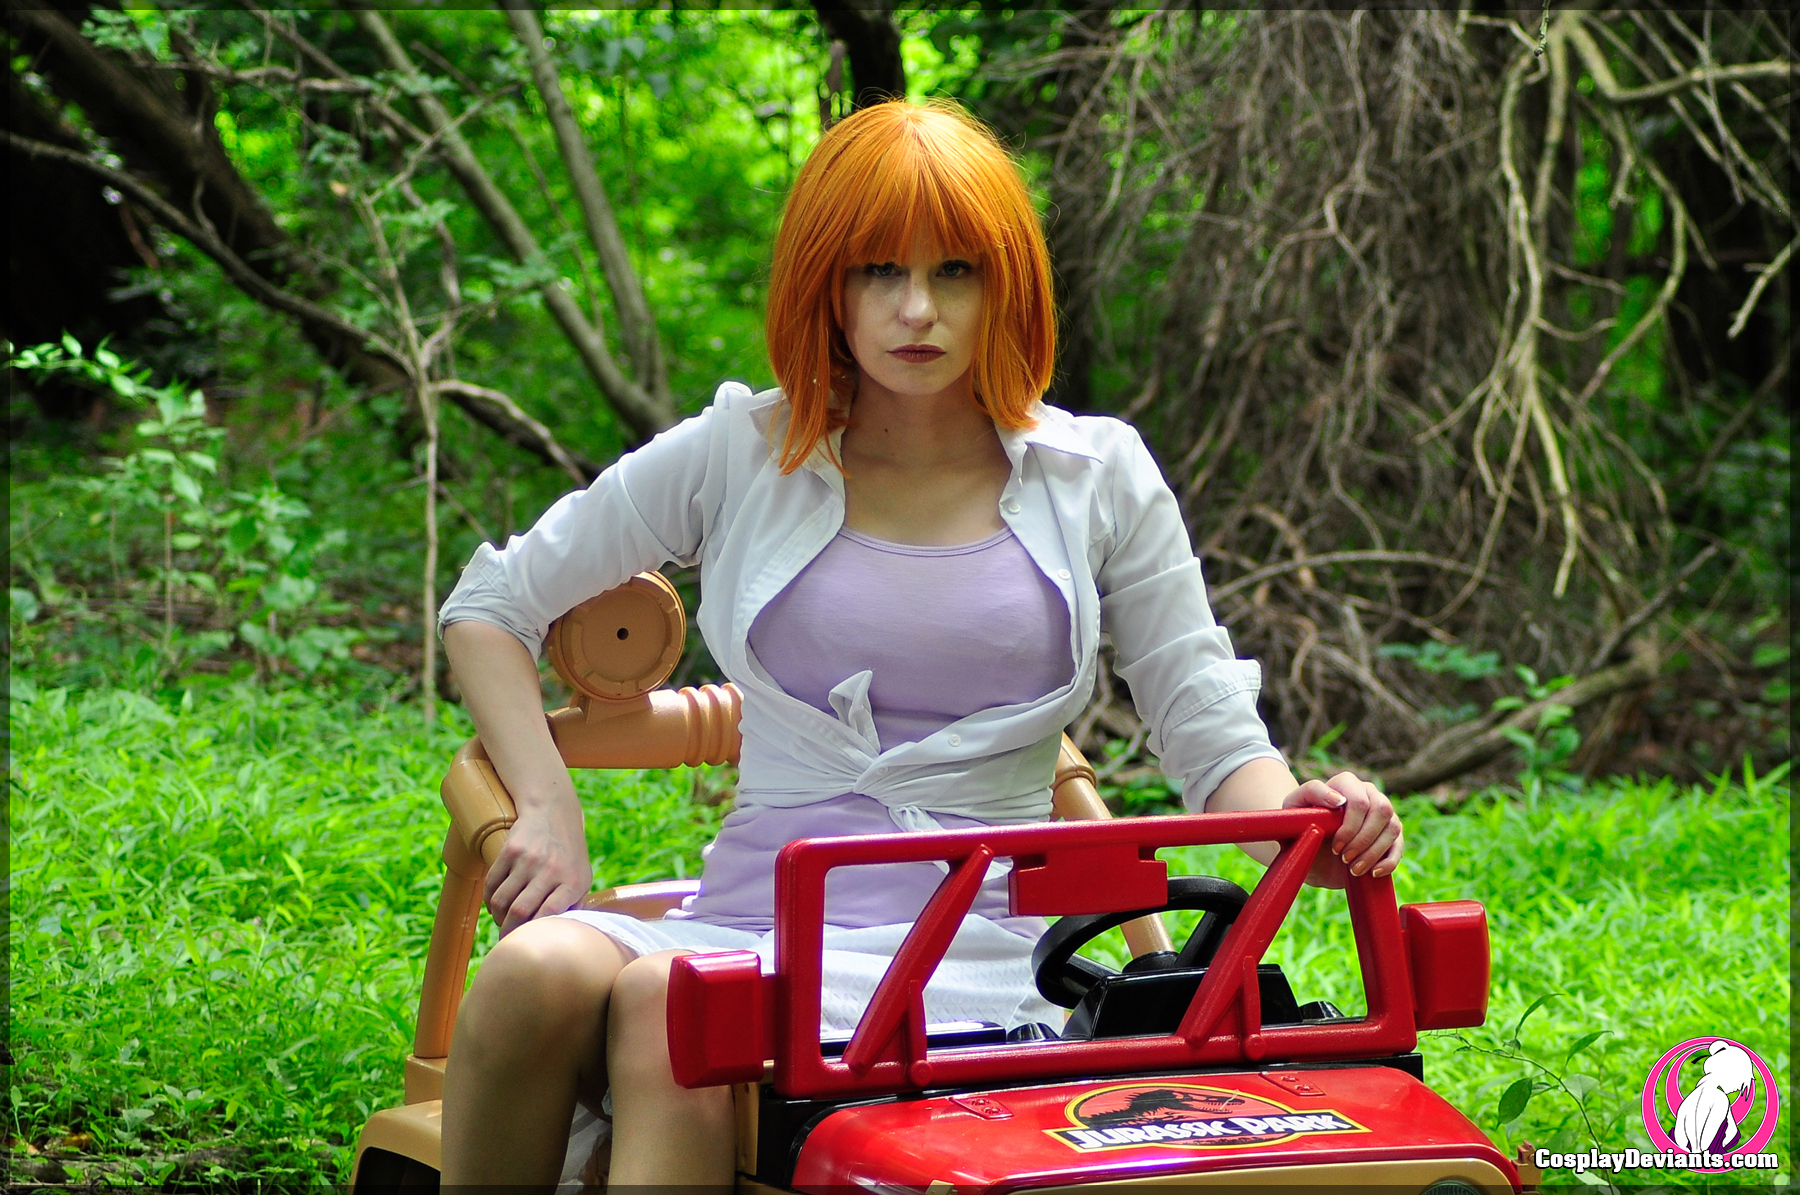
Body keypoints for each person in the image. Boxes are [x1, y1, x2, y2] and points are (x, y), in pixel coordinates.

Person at [436, 99, 1404, 1187]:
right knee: (532, 975)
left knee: (674, 1004)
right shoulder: (743, 451)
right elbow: (490, 604)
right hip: (756, 921)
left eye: (955, 272)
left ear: (1006, 285)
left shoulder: (1095, 475)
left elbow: (1208, 725)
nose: (917, 310)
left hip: (995, 949)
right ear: (825, 283)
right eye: (878, 271)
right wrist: (549, 805)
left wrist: (1307, 818)